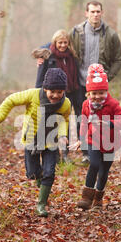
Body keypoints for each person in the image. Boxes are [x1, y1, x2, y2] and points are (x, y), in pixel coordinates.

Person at [38, 0, 121, 165]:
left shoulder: (111, 34)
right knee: (75, 116)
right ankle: (67, 152)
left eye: (98, 11)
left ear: (102, 13)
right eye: (92, 12)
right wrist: (42, 54)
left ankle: (90, 152)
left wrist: (107, 77)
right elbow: (58, 42)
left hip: (97, 86)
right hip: (77, 83)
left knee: (92, 117)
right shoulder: (76, 32)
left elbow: (119, 59)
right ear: (86, 13)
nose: (95, 14)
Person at [0, 68, 71, 217]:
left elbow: (63, 121)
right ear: (45, 88)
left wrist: (62, 136)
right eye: (52, 91)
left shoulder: (65, 104)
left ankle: (41, 205)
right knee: (32, 173)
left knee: (49, 172)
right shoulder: (33, 95)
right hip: (31, 140)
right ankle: (41, 184)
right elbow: (11, 100)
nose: (55, 95)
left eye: (60, 92)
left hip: (51, 142)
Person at [70, 64, 121, 210]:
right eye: (94, 93)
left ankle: (98, 199)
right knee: (94, 164)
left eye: (101, 93)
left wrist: (110, 123)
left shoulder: (112, 105)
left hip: (110, 143)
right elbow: (84, 123)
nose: (97, 97)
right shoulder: (86, 105)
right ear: (88, 93)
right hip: (93, 141)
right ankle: (86, 197)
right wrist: (81, 139)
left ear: (106, 91)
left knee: (103, 172)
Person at [32, 29, 80, 163]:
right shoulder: (48, 55)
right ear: (55, 42)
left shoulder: (71, 55)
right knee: (51, 122)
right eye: (60, 42)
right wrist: (38, 93)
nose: (63, 45)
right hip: (50, 95)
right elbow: (40, 77)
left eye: (65, 42)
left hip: (67, 94)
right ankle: (53, 154)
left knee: (65, 122)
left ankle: (65, 153)